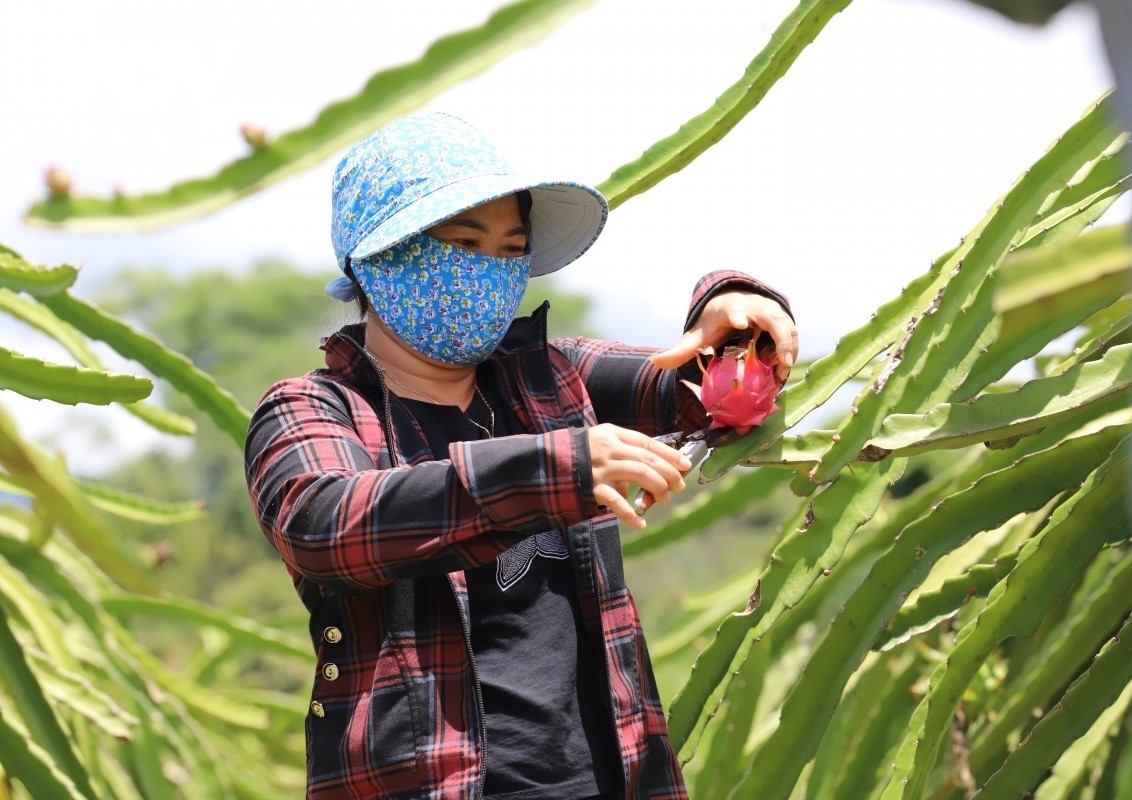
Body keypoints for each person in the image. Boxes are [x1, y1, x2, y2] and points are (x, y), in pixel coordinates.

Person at [244, 112, 796, 800]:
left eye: (511, 248)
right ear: (379, 260)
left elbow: (704, 391)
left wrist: (737, 311)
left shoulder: (557, 378)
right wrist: (554, 472)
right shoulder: (314, 409)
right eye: (465, 242)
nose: (492, 270)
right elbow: (328, 525)